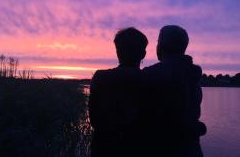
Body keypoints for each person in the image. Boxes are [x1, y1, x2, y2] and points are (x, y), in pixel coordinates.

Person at [142, 25, 207, 157]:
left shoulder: (151, 74)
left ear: (162, 46)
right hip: (192, 149)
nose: (157, 46)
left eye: (158, 42)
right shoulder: (193, 75)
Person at [88, 27, 148, 157]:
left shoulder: (100, 77)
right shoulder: (151, 79)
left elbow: (93, 120)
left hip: (103, 149)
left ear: (117, 52)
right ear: (143, 54)